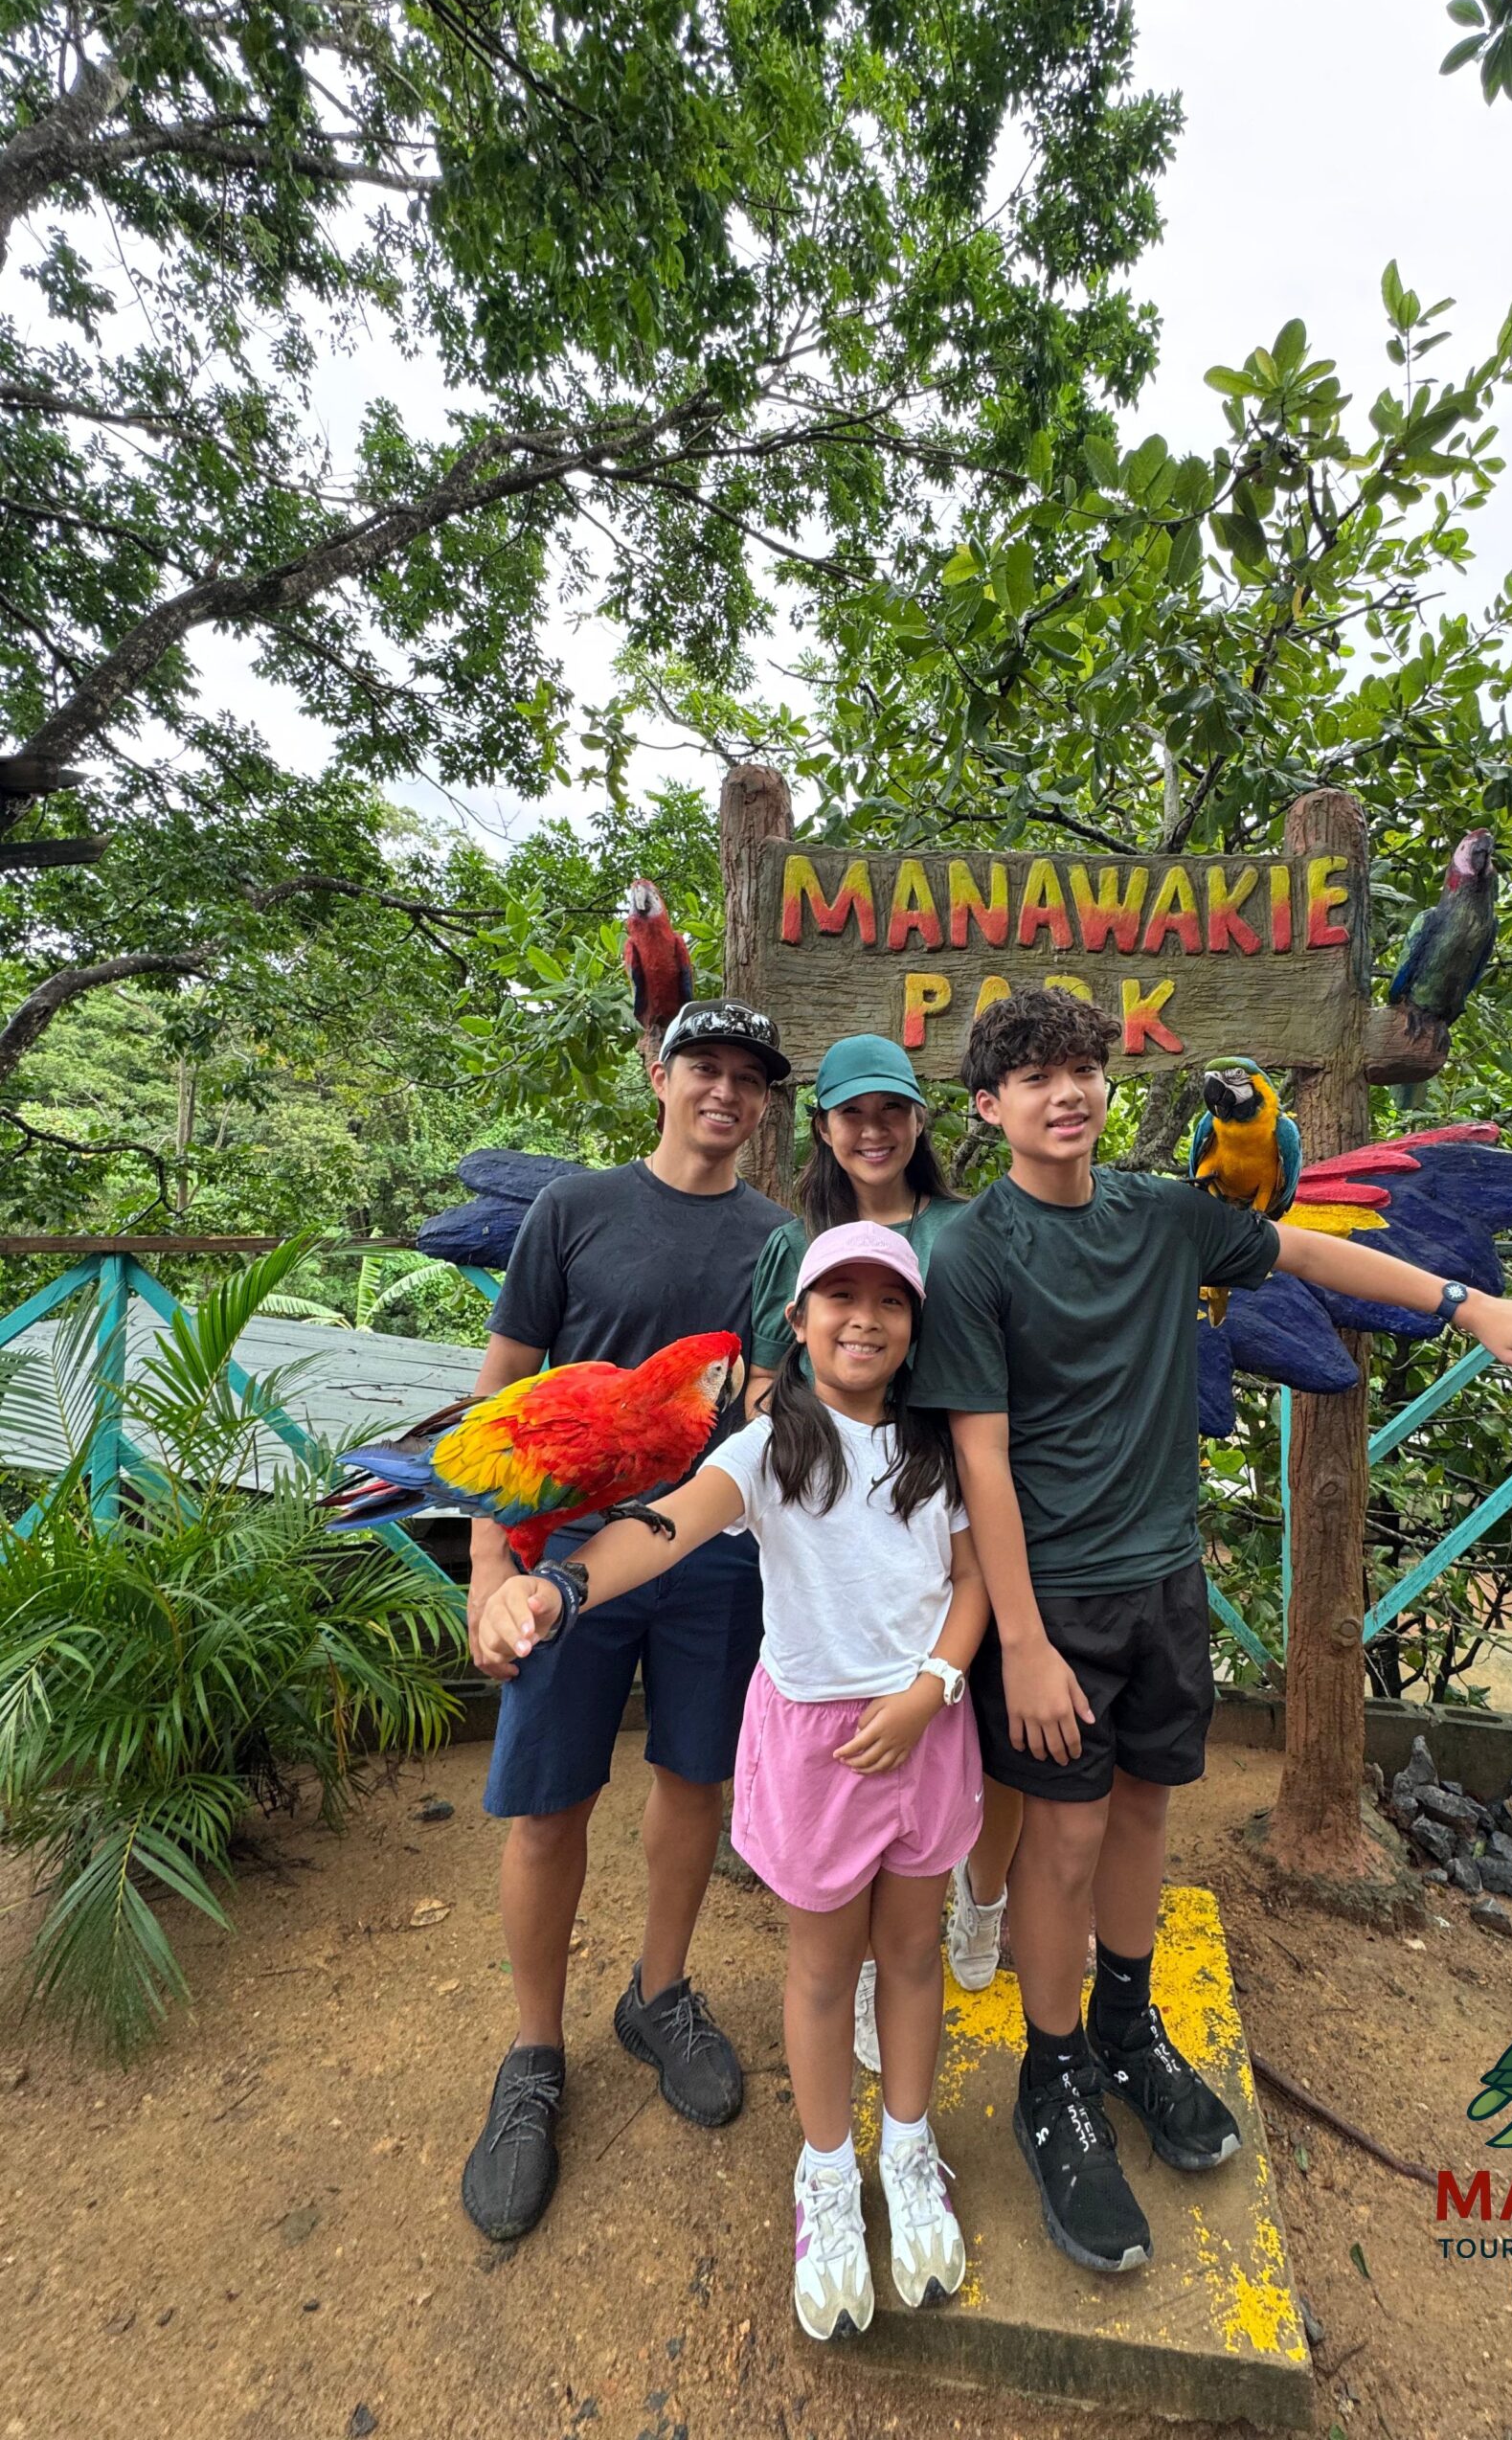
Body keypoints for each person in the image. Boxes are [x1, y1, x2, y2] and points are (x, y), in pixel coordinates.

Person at [910, 987, 1512, 2277]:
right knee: (1061, 1838)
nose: (1068, 1093)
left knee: (1145, 1816)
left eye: (1084, 1070)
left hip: (1164, 1580)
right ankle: (1054, 2077)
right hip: (1055, 1602)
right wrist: (1026, 1644)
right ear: (989, 1107)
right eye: (1036, 1077)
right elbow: (979, 1461)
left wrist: (1468, 1306)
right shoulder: (975, 1252)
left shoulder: (1163, 1214)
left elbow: (1313, 1256)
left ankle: (1128, 2028)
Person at [475, 1224, 989, 2342]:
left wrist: (936, 1685)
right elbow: (665, 1526)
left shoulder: (937, 1448)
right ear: (795, 1324)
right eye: (838, 1297)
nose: (864, 1318)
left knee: (912, 1953)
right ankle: (826, 2169)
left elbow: (970, 1579)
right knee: (822, 1969)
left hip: (925, 1732)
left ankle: (909, 2147)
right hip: (819, 1752)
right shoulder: (766, 1449)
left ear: (914, 1328)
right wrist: (558, 1588)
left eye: (889, 1300)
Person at [461, 998, 792, 2245]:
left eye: (749, 1076)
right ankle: (534, 2053)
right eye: (704, 1065)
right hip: (562, 1555)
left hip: (713, 1556)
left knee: (694, 1778)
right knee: (549, 1804)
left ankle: (660, 1994)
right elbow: (498, 1398)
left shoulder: (780, 1242)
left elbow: (776, 1411)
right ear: (659, 1073)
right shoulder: (574, 1210)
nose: (725, 1090)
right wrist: (488, 1570)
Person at [746, 1035, 1015, 2057]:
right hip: (839, 1542)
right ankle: (863, 1967)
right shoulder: (793, 1242)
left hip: (955, 1505)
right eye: (851, 1112)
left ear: (919, 1120)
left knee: (983, 1729)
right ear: (821, 1125)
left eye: (891, 1109)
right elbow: (763, 1391)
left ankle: (980, 1900)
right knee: (857, 1765)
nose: (872, 1129)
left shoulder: (967, 1227)